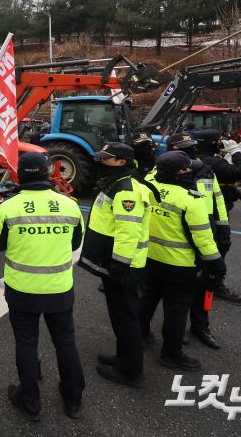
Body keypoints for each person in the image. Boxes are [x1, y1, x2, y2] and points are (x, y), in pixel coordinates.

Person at [0, 152, 85, 421]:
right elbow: (75, 244)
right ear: (46, 173)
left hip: (23, 289)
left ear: (21, 175)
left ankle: (30, 402)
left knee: (27, 344)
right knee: (65, 341)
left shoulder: (8, 207)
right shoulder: (69, 205)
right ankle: (73, 399)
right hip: (59, 288)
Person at [78, 142, 156, 388]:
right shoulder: (116, 182)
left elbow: (127, 233)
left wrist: (120, 267)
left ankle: (130, 371)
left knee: (126, 318)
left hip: (125, 267)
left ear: (122, 162)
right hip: (116, 264)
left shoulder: (126, 190)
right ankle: (123, 357)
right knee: (120, 316)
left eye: (106, 159)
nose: (101, 162)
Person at [140, 151, 226, 372]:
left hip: (150, 258)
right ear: (179, 173)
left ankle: (139, 335)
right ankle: (171, 353)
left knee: (148, 298)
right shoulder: (191, 200)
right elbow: (204, 239)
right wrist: (217, 265)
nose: (189, 171)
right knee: (176, 310)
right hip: (181, 265)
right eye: (186, 169)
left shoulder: (148, 187)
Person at [168, 133, 228, 349]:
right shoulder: (162, 173)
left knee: (206, 286)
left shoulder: (205, 170)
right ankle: (178, 328)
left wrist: (224, 231)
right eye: (184, 150)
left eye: (191, 148)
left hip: (206, 236)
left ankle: (201, 325)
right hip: (180, 243)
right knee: (180, 293)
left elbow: (218, 200)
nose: (191, 154)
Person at [194, 130, 241, 303]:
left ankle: (200, 279)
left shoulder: (195, 159)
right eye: (219, 141)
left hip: (199, 209)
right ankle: (214, 283)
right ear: (213, 143)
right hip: (215, 211)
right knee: (219, 246)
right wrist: (236, 152)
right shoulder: (213, 162)